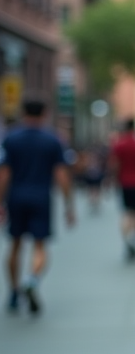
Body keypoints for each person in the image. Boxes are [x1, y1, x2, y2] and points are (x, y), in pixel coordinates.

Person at [0, 99, 76, 315]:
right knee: (40, 245)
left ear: (23, 113)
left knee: (15, 245)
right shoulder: (52, 140)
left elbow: (4, 174)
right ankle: (32, 280)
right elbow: (61, 175)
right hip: (41, 198)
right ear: (45, 113)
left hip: (16, 197)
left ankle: (14, 292)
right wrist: (69, 205)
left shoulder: (11, 139)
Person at [109, 118, 135, 262]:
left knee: (127, 213)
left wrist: (114, 179)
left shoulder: (119, 144)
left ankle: (127, 241)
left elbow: (114, 164)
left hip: (124, 182)